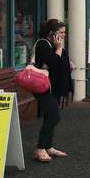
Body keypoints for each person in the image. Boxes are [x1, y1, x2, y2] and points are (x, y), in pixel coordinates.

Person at [33, 19, 71, 163]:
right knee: (54, 117)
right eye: (61, 32)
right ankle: (40, 149)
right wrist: (59, 48)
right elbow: (53, 63)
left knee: (50, 116)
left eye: (64, 32)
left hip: (52, 86)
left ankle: (48, 147)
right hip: (42, 87)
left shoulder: (53, 45)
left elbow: (60, 63)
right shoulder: (43, 44)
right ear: (52, 33)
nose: (64, 35)